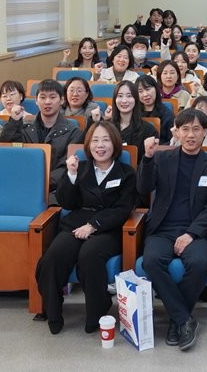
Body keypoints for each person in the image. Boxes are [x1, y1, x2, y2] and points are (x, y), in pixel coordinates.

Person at [36, 121, 136, 335]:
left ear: (115, 143)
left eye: (106, 140)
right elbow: (67, 203)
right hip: (76, 223)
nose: (100, 146)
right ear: (88, 145)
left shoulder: (126, 173)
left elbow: (123, 209)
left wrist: (94, 225)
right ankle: (52, 310)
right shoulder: (79, 168)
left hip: (108, 228)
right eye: (96, 141)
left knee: (90, 255)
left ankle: (97, 312)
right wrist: (70, 176)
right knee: (55, 254)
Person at [139, 109, 207, 351]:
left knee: (199, 263)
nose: (190, 135)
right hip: (162, 228)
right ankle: (183, 319)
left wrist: (190, 234)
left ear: (205, 132)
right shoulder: (161, 158)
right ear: (176, 132)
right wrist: (146, 158)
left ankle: (177, 320)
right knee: (151, 260)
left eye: (196, 129)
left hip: (195, 231)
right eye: (185, 129)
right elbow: (143, 188)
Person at [1, 79, 83, 199]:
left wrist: (38, 183)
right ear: (36, 100)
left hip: (54, 191)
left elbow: (64, 168)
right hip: (21, 186)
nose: (47, 102)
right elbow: (6, 150)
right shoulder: (25, 125)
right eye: (43, 97)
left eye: (52, 97)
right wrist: (14, 121)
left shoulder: (73, 132)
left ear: (62, 100)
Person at [98, 81, 157, 163]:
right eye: (120, 96)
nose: (124, 100)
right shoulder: (106, 128)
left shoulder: (148, 130)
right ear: (115, 100)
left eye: (129, 96)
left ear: (136, 99)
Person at [137, 75, 175, 145]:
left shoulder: (167, 114)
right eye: (140, 91)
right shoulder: (133, 113)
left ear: (156, 89)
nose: (145, 94)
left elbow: (171, 141)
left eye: (148, 89)